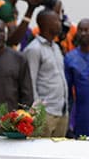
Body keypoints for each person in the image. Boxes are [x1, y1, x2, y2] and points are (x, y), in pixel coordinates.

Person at [23, 9, 69, 137]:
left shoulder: (56, 47)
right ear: (45, 24)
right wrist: (37, 112)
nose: (60, 23)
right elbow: (30, 81)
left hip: (61, 111)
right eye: (57, 21)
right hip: (45, 114)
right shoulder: (34, 49)